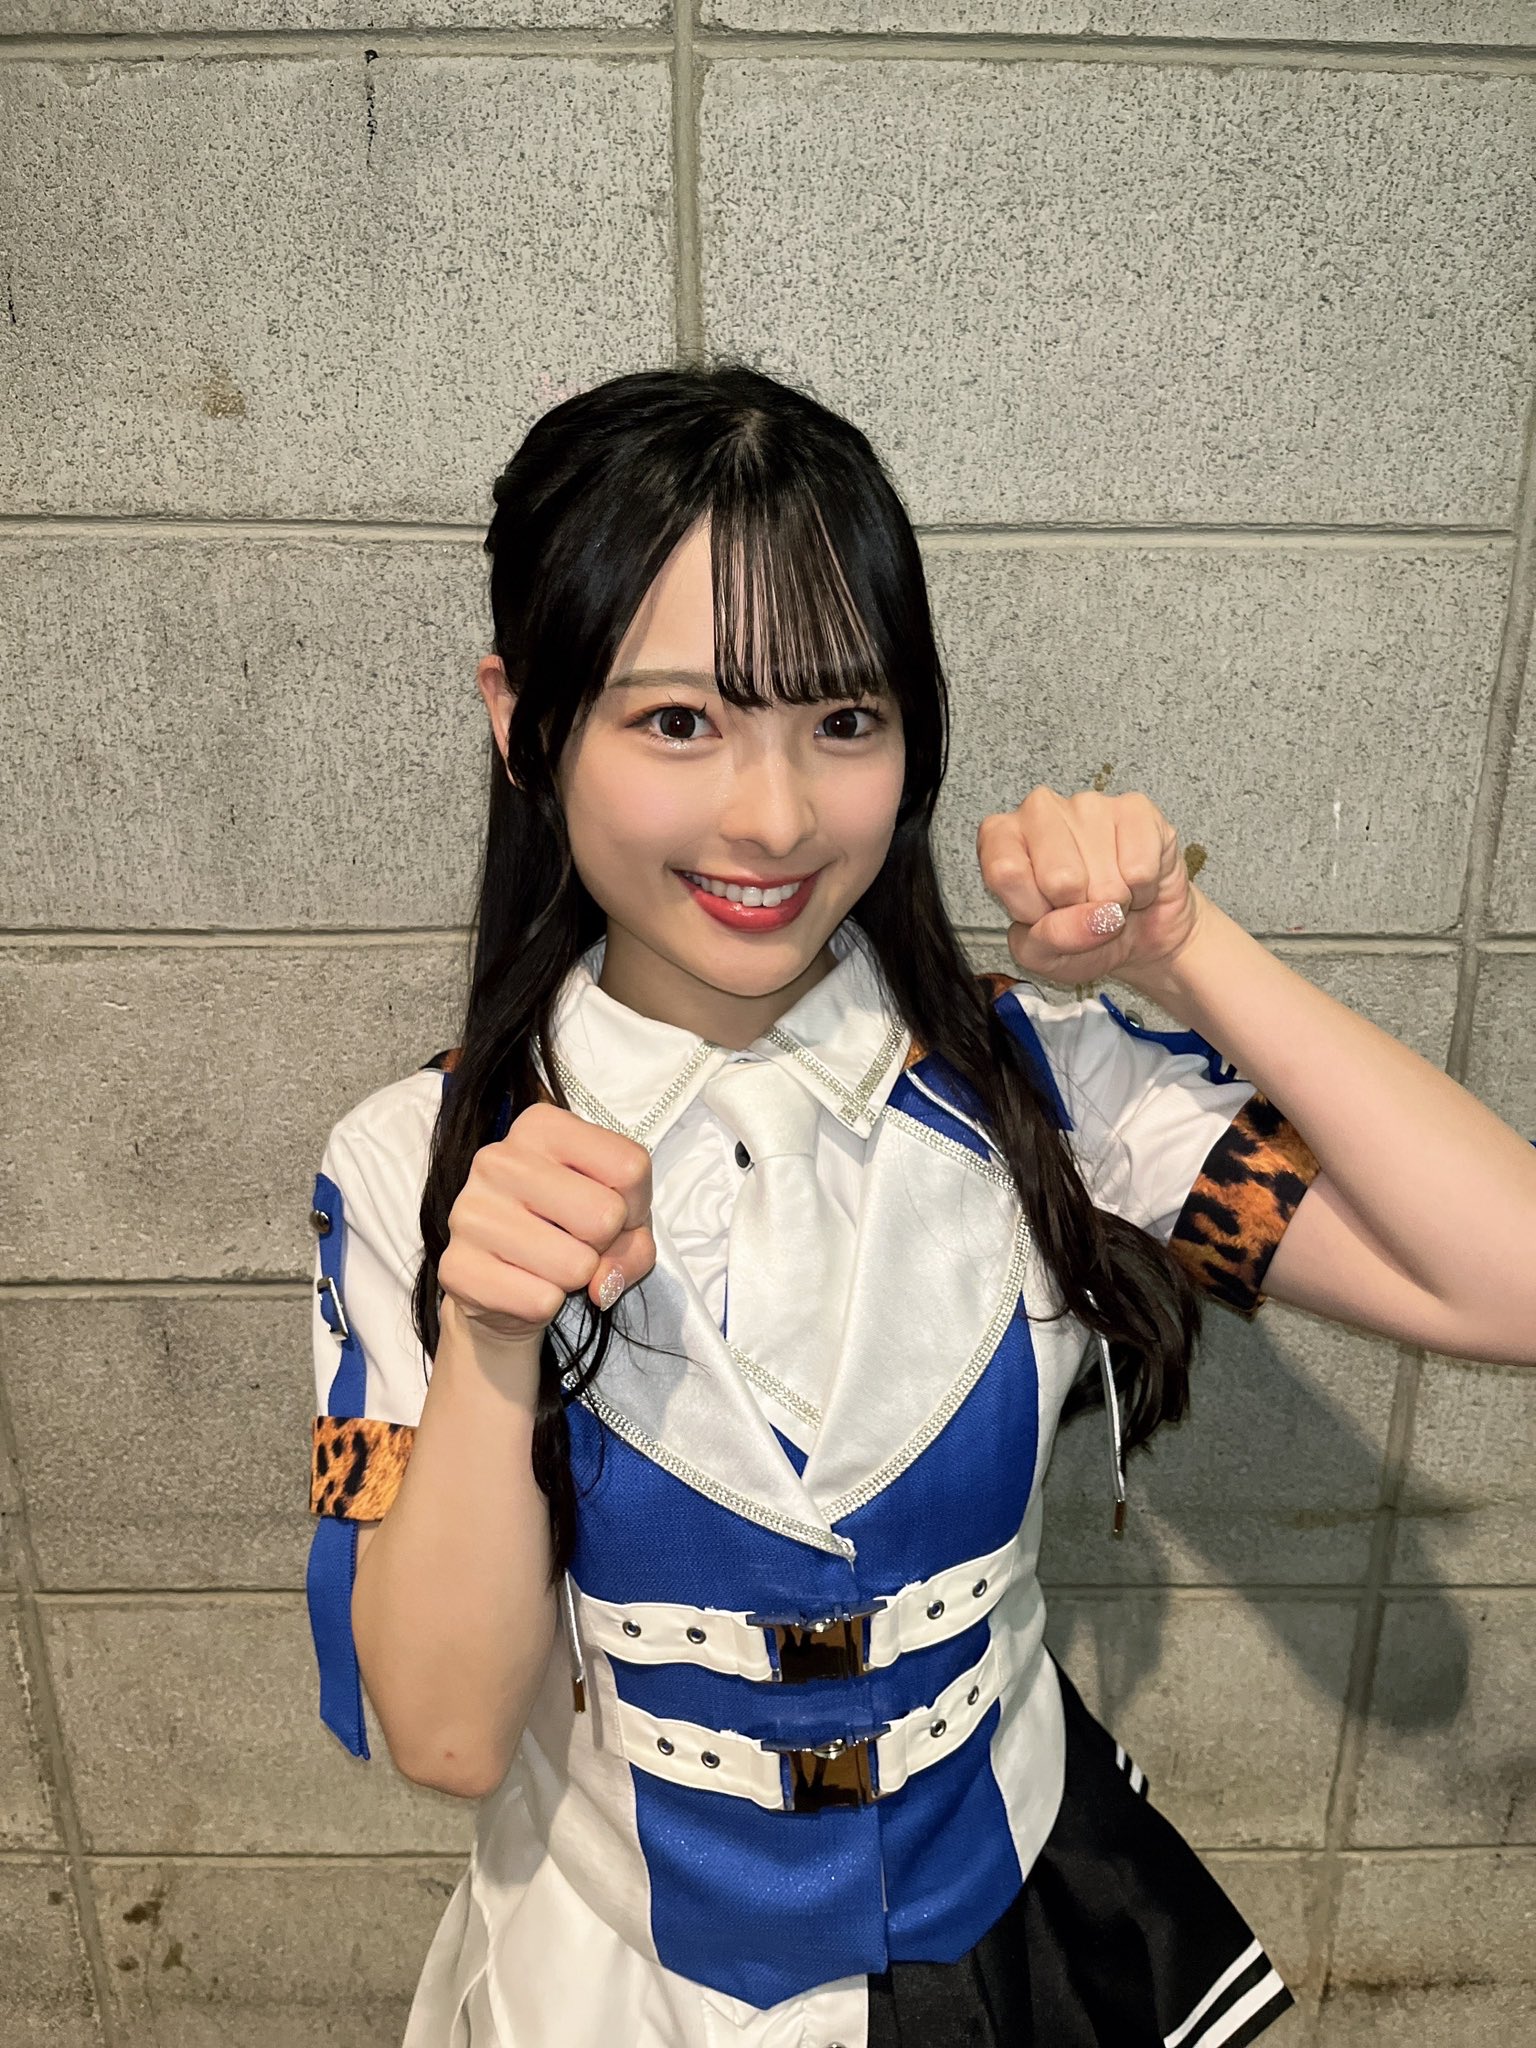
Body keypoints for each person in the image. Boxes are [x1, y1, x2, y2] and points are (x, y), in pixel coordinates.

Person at [303, 362, 1536, 2048]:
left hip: (1022, 1943)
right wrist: (490, 1333)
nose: (775, 817)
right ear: (524, 723)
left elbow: (1512, 1284)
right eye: (679, 722)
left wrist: (1186, 953)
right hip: (622, 1987)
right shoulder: (419, 1163)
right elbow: (445, 1736)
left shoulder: (1045, 1089)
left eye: (843, 721)